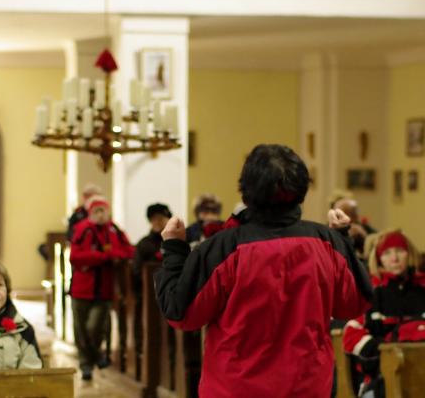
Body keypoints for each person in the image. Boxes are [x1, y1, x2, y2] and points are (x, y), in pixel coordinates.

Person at [155, 144, 372, 398]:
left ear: (246, 191)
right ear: (301, 189)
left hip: (236, 388)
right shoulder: (326, 242)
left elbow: (182, 313)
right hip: (307, 386)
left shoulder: (224, 247)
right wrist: (342, 239)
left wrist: (174, 249)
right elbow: (354, 303)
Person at [343, 230, 425, 397]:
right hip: (380, 375)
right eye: (387, 253)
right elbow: (351, 334)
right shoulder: (371, 291)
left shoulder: (422, 287)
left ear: (409, 254)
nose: (394, 258)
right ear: (379, 258)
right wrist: (384, 353)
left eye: (399, 251)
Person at [70, 195, 135, 380]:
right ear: (90, 213)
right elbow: (76, 257)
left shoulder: (114, 230)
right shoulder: (82, 229)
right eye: (96, 211)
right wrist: (104, 257)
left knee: (95, 328)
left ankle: (95, 356)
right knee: (81, 329)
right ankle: (87, 364)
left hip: (105, 289)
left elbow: (128, 251)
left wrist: (111, 254)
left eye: (103, 210)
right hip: (82, 288)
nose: (100, 214)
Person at [132, 203, 174, 381]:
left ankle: (170, 369)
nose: (158, 222)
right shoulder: (144, 244)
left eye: (162, 218)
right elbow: (136, 271)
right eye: (155, 219)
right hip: (149, 298)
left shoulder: (175, 241)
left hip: (171, 297)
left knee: (170, 338)